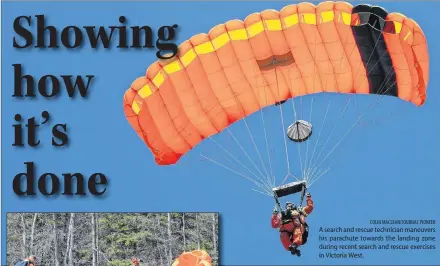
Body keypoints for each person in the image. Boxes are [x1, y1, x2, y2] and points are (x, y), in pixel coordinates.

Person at [271, 192, 314, 256]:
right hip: (286, 231)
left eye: (290, 205)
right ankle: (292, 248)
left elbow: (310, 207)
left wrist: (308, 197)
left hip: (298, 228)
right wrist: (274, 215)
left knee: (297, 230)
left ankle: (295, 245)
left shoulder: (299, 211)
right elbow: (274, 225)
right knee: (283, 235)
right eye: (287, 205)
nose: (288, 206)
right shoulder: (282, 215)